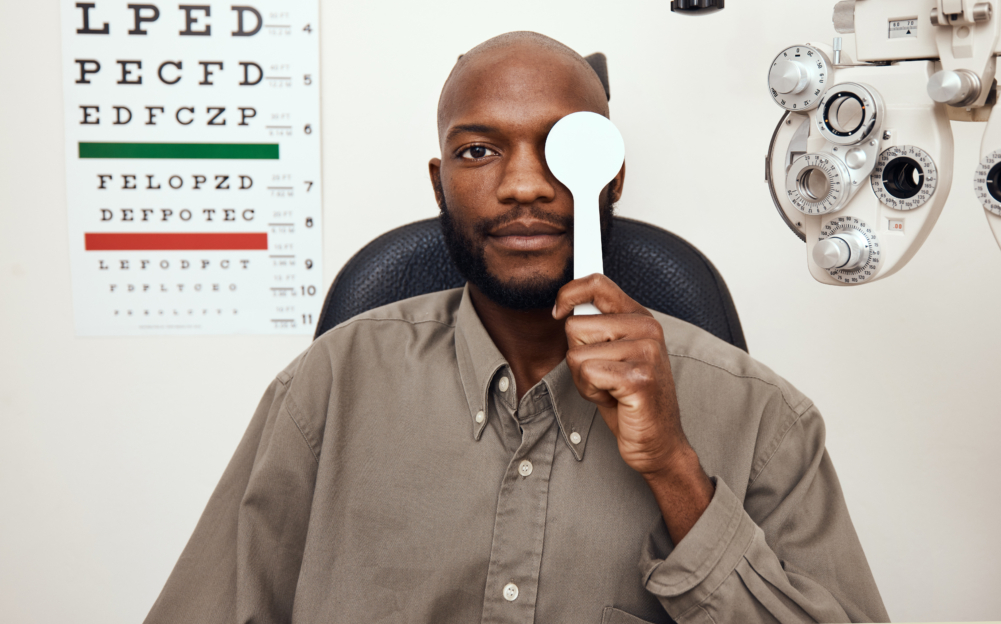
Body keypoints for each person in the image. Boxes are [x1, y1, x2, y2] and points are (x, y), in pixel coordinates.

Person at [144, 32, 889, 624]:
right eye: (478, 150)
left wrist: (673, 469)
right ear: (440, 184)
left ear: (614, 178)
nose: (525, 183)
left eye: (561, 147)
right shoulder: (328, 388)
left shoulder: (765, 419)